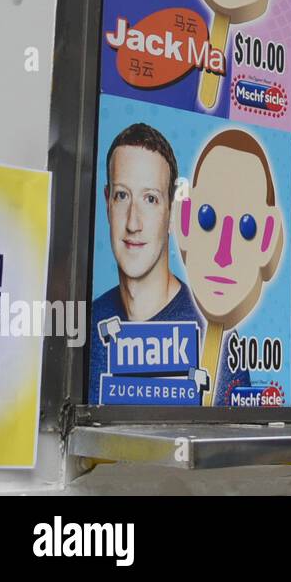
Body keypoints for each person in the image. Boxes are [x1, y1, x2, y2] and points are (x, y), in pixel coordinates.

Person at [89, 123, 248, 405]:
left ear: (173, 214)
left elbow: (231, 446)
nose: (133, 222)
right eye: (122, 195)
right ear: (107, 203)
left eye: (150, 199)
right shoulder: (87, 325)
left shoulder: (215, 337)